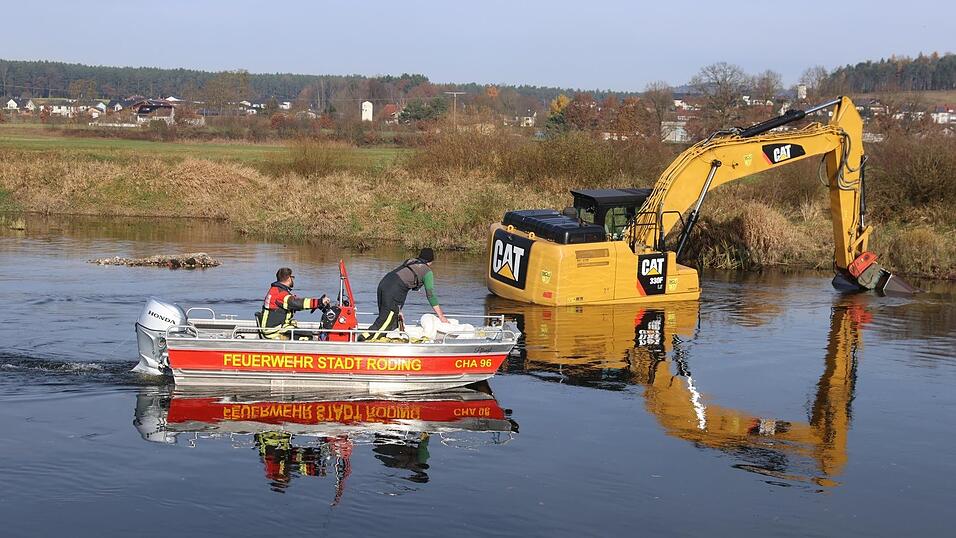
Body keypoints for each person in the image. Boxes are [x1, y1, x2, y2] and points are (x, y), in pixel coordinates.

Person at [360, 248, 448, 341]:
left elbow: (401, 281)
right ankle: (365, 340)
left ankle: (372, 339)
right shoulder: (427, 272)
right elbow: (431, 295)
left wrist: (398, 310)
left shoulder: (411, 262)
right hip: (393, 291)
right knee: (384, 322)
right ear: (431, 261)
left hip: (384, 284)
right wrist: (441, 316)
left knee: (388, 319)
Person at [260, 267, 330, 340]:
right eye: (292, 277)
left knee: (303, 332)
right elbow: (296, 303)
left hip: (275, 327)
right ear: (289, 278)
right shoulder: (280, 294)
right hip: (275, 330)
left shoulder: (276, 290)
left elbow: (295, 304)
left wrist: (316, 305)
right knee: (306, 335)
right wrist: (318, 302)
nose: (292, 280)